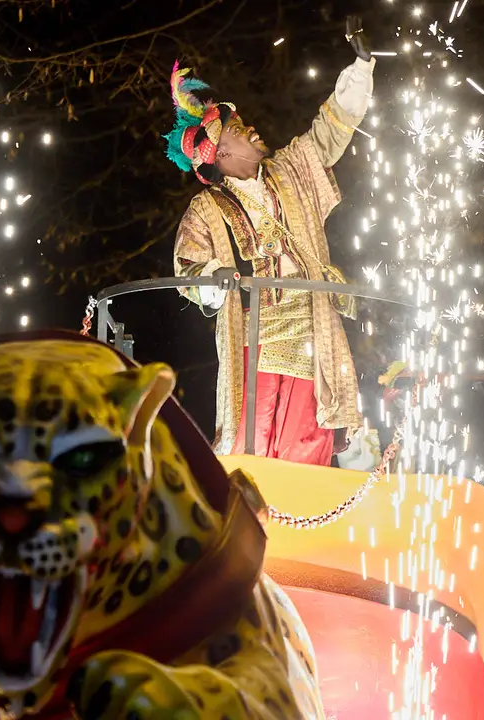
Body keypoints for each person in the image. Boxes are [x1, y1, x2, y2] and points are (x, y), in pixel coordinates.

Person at [167, 18, 377, 467]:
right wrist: (211, 279)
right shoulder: (206, 208)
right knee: (253, 448)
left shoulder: (292, 169)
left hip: (314, 327)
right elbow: (187, 270)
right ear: (220, 154)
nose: (253, 130)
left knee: (310, 441)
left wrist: (361, 66)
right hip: (254, 336)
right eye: (240, 130)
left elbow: (330, 130)